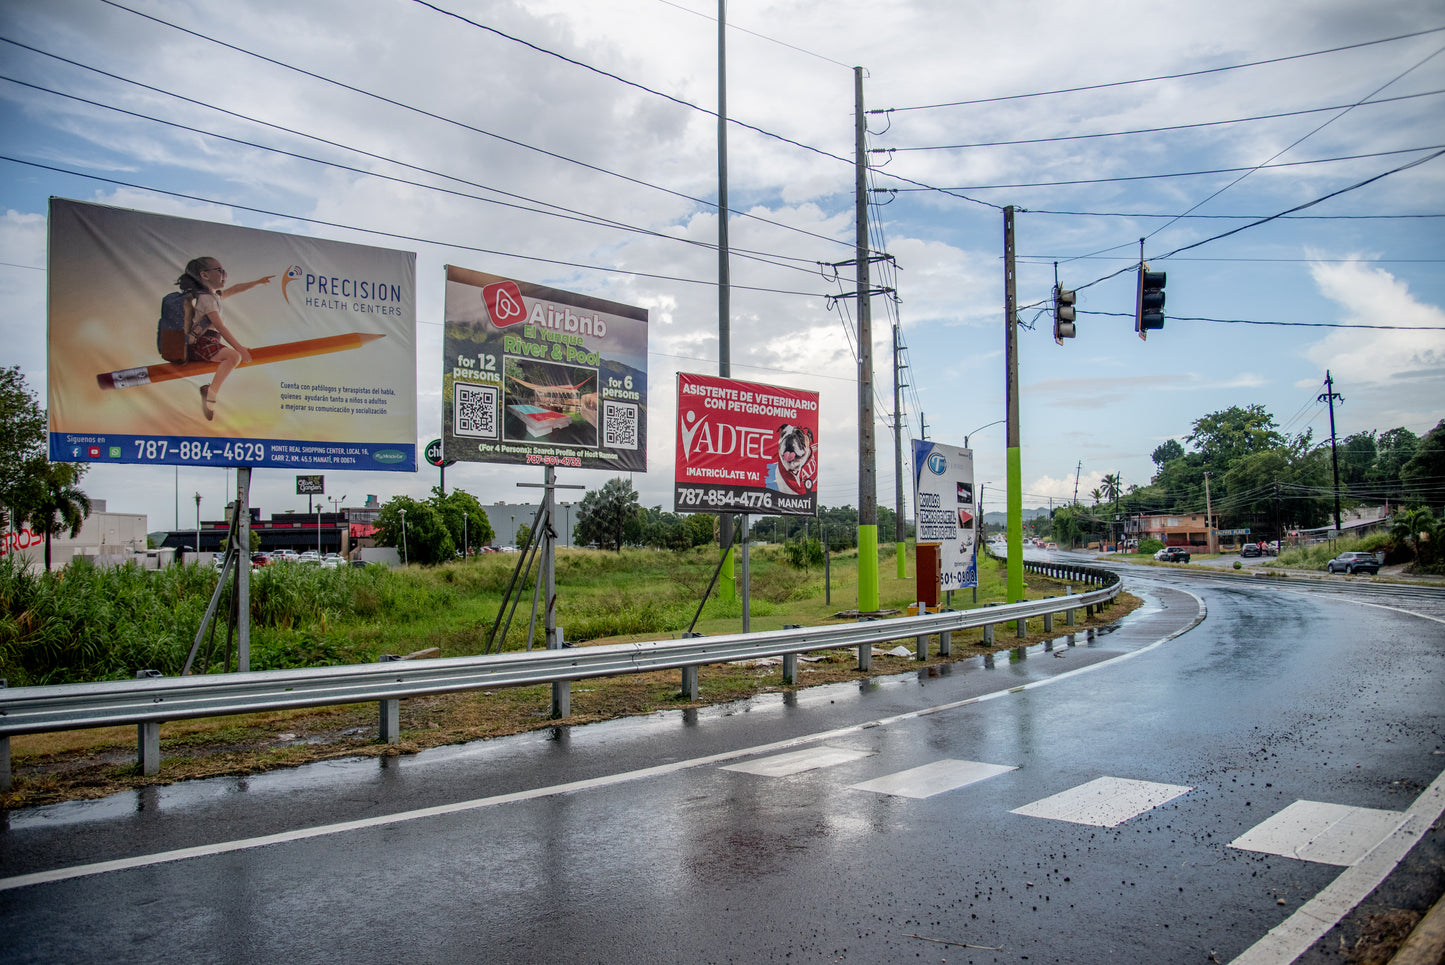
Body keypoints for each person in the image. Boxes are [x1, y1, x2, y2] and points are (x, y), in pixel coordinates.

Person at [176, 257, 273, 420]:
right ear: (204, 275)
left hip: (211, 341)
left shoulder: (214, 297)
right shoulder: (207, 300)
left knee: (234, 356)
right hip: (202, 343)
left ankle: (210, 391)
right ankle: (211, 394)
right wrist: (240, 349)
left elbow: (236, 288)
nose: (224, 275)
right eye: (220, 271)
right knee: (234, 356)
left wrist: (258, 282)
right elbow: (220, 327)